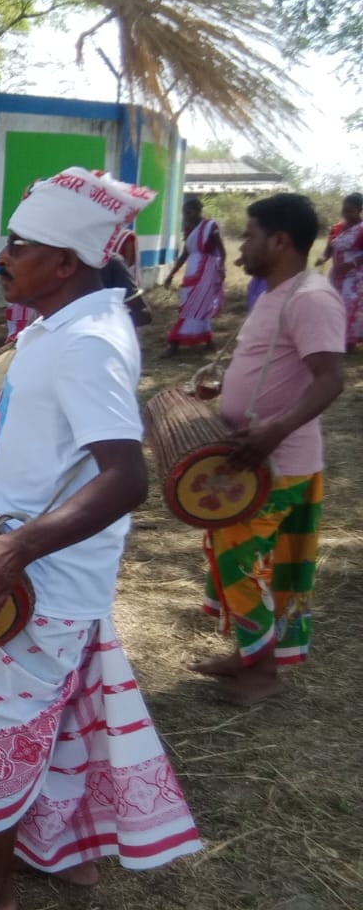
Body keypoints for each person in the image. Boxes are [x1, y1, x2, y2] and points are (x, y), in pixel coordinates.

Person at [0, 168, 201, 910]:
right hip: (47, 568)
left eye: (19, 246)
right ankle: (67, 853)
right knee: (60, 718)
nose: (3, 256)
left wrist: (19, 547)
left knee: (11, 719)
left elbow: (125, 476)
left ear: (65, 262)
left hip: (42, 576)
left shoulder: (89, 341)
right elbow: (58, 435)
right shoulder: (58, 326)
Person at [190, 194, 346, 705]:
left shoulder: (311, 298)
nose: (241, 249)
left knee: (239, 560)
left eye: (251, 235)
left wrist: (273, 431)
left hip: (279, 465)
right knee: (249, 560)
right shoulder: (277, 293)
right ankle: (250, 653)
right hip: (257, 460)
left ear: (280, 241)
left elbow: (330, 380)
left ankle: (262, 672)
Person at [163, 197, 226, 354]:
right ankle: (209, 341)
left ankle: (174, 344)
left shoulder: (210, 226)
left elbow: (222, 250)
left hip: (208, 271)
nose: (186, 215)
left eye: (189, 212)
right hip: (192, 271)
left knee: (193, 307)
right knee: (192, 306)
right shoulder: (189, 228)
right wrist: (172, 274)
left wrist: (222, 268)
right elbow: (185, 254)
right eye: (184, 213)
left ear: (198, 211)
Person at [313, 192, 362, 349]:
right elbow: (329, 249)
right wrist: (323, 258)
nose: (346, 213)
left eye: (350, 210)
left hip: (355, 277)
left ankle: (348, 342)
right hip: (336, 275)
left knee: (350, 307)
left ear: (359, 210)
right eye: (344, 209)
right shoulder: (336, 228)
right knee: (334, 306)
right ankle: (336, 338)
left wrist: (351, 264)